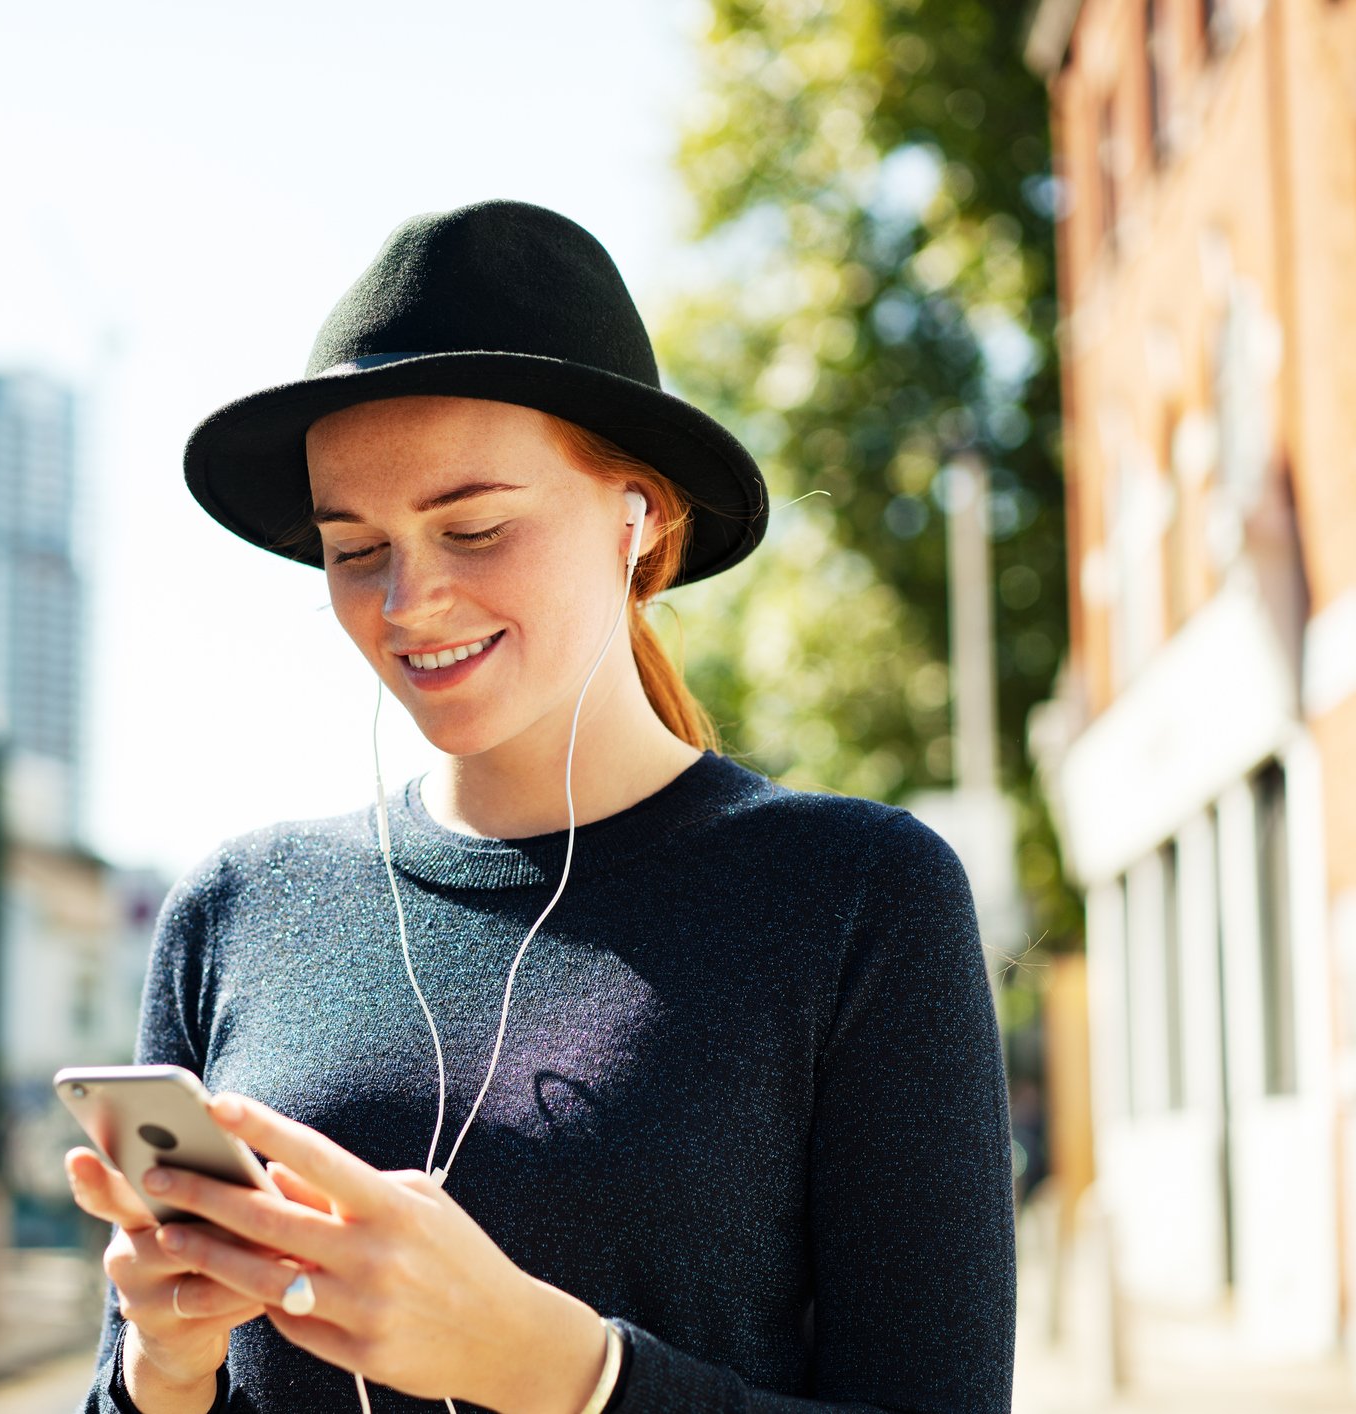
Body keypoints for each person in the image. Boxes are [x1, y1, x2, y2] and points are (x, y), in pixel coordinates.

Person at [66, 198, 1016, 1413]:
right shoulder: (236, 910)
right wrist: (160, 1367)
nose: (408, 600)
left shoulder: (851, 896)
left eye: (473, 525)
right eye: (354, 549)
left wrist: (568, 1374)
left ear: (640, 518)